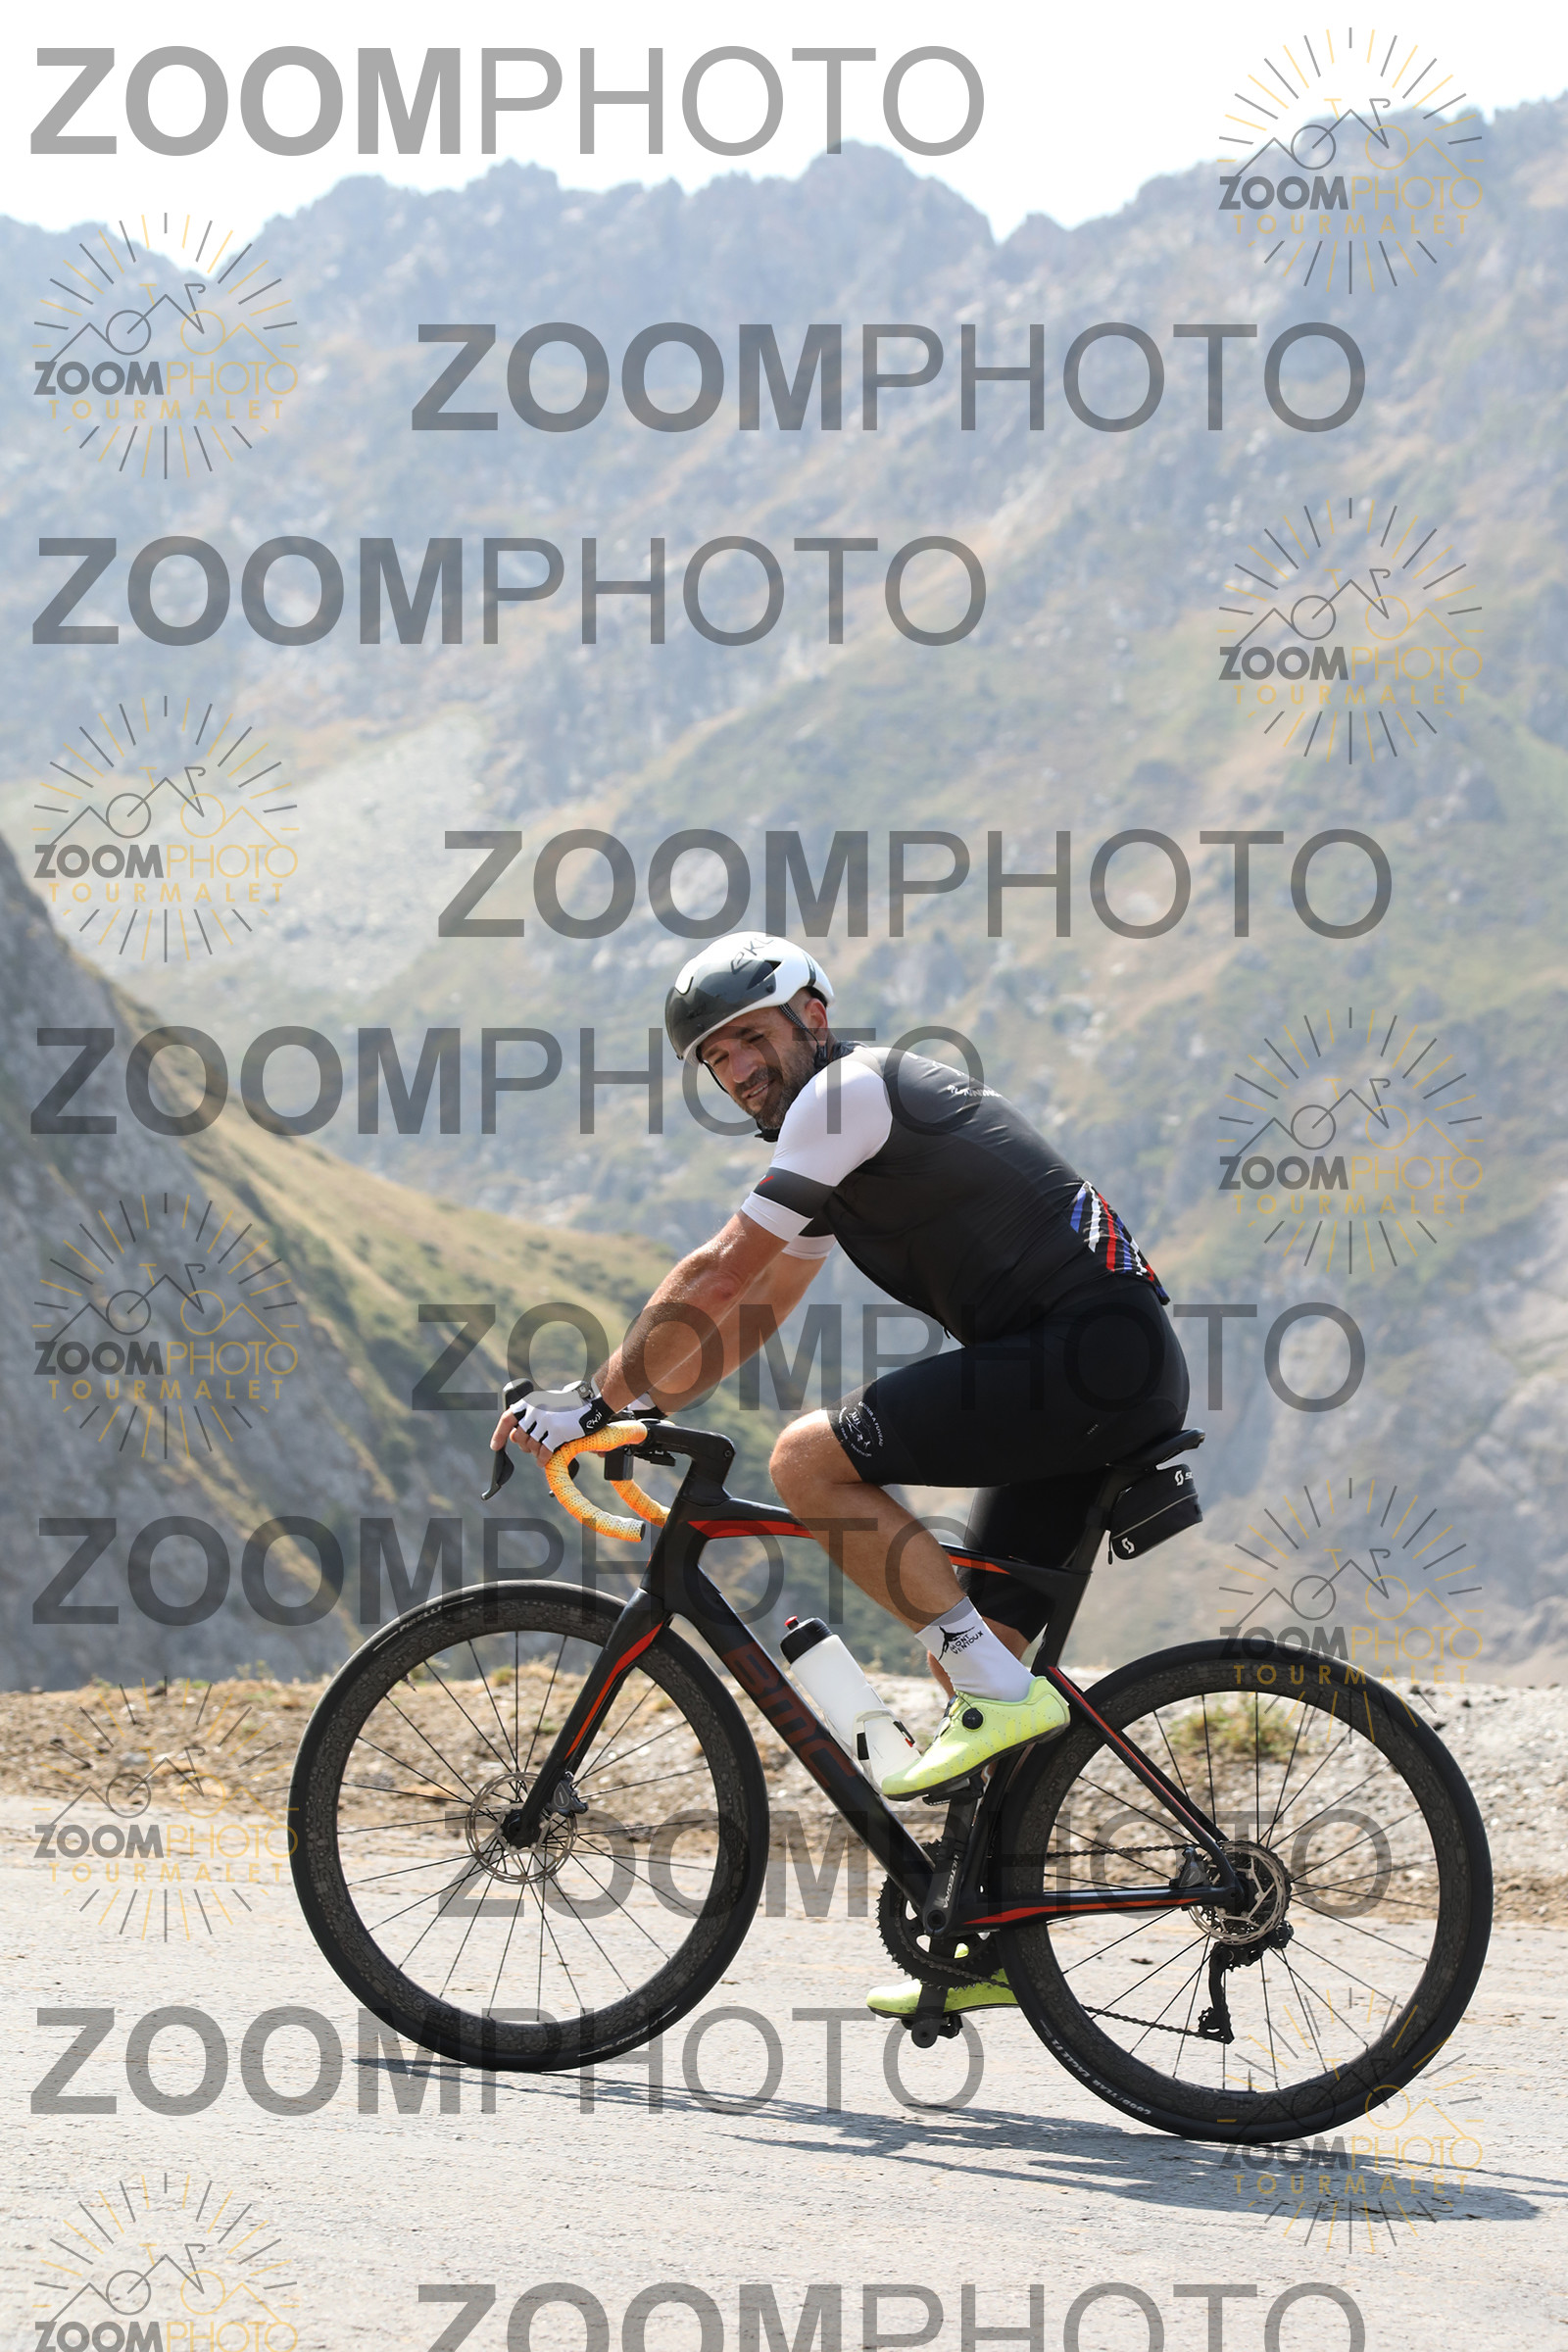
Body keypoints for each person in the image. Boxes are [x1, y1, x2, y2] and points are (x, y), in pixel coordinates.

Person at [491, 931, 1191, 2020]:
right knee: (977, 1660)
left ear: (811, 1014)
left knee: (806, 1460)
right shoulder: (835, 1144)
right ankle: (995, 1940)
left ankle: (996, 1708)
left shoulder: (849, 1092)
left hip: (1087, 1360)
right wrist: (639, 1408)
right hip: (1098, 1373)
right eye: (716, 1057)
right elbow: (755, 1307)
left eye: (749, 1038)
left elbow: (719, 1267)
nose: (737, 1069)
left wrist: (590, 1396)